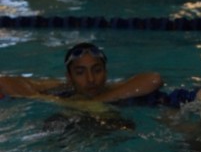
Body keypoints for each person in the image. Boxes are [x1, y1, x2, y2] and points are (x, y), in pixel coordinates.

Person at [0, 42, 163, 104]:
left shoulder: (113, 89)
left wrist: (97, 101)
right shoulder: (60, 90)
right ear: (69, 77)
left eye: (97, 70)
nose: (91, 79)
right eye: (80, 72)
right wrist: (54, 101)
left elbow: (153, 79)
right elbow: (4, 81)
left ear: (106, 73)